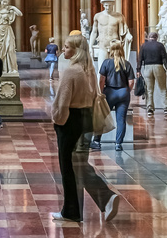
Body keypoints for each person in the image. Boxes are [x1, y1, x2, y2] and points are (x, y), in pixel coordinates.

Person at [51, 33, 120, 225]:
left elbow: (62, 103)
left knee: (68, 168)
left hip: (70, 121)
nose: (63, 50)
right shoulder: (88, 70)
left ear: (74, 50)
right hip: (86, 119)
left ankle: (77, 209)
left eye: (65, 47)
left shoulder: (72, 71)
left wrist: (57, 119)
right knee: (79, 165)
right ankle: (85, 206)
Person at [99, 40, 135, 149]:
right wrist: (126, 90)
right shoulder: (127, 63)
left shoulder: (106, 63)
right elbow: (131, 82)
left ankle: (96, 141)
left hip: (109, 92)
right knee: (121, 119)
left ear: (110, 50)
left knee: (103, 117)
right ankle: (118, 144)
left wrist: (101, 93)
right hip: (123, 92)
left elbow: (102, 80)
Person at [138, 30, 167, 115]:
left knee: (149, 90)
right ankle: (166, 107)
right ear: (156, 38)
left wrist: (138, 70)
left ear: (149, 37)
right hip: (159, 67)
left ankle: (150, 108)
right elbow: (164, 58)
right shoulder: (160, 45)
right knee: (163, 88)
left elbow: (140, 59)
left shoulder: (143, 46)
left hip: (147, 68)